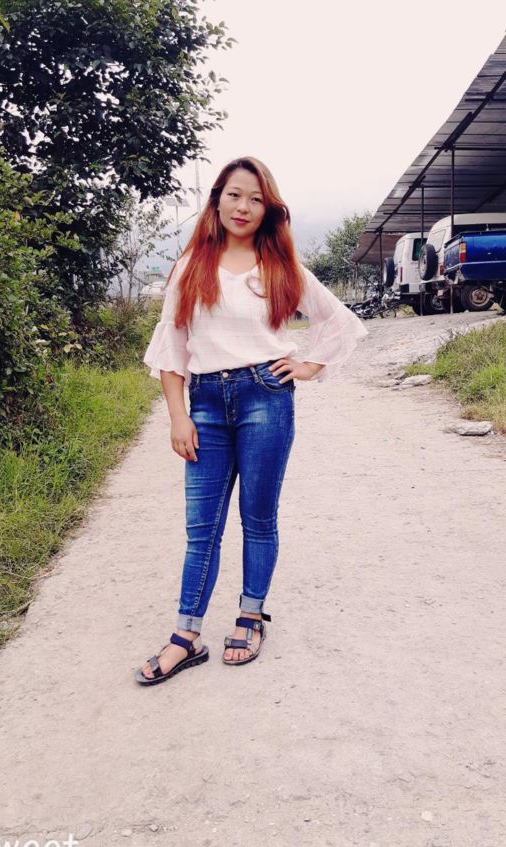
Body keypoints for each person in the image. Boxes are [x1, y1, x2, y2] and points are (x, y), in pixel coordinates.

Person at [135, 156, 368, 686]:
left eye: (256, 199)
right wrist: (178, 416)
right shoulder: (191, 266)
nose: (244, 206)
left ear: (269, 209)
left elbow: (339, 321)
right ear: (218, 199)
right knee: (202, 528)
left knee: (258, 518)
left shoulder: (280, 267)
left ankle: (250, 616)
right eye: (235, 195)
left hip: (266, 398)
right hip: (206, 404)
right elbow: (171, 349)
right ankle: (185, 637)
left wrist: (308, 365)